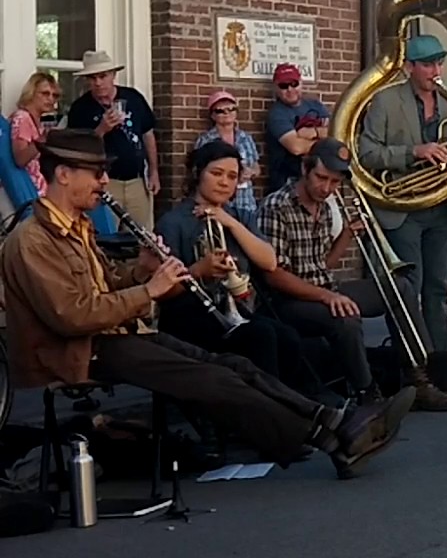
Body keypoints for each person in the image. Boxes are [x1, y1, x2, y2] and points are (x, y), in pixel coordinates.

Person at [0, 129, 414, 479]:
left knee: (235, 366)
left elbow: (105, 285)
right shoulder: (33, 240)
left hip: (113, 334)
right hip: (77, 352)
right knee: (213, 380)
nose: (104, 182)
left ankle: (334, 426)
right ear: (63, 174)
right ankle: (329, 436)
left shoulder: (79, 226)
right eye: (96, 174)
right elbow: (73, 316)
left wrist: (142, 269)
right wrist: (151, 289)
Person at [259, 137, 447, 412]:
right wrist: (327, 296)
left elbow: (323, 264)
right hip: (290, 301)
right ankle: (368, 394)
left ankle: (418, 378)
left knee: (399, 287)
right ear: (305, 169)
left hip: (323, 289)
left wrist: (347, 235)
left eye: (333, 182)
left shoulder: (325, 206)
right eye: (321, 178)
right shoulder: (276, 207)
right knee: (346, 317)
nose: (326, 188)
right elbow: (275, 275)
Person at [155, 142, 335, 404]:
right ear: (197, 173)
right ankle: (271, 412)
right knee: (261, 337)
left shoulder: (241, 216)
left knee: (287, 337)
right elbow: (165, 291)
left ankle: (307, 404)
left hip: (237, 310)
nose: (224, 183)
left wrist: (227, 221)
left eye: (232, 176)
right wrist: (200, 270)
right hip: (192, 316)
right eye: (216, 174)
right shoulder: (174, 222)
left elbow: (269, 261)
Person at [357, 34, 447, 355]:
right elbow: (366, 152)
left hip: (442, 205)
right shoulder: (386, 101)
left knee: (438, 289)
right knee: (409, 288)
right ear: (409, 67)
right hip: (403, 209)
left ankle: (442, 360)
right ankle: (413, 360)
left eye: (439, 63)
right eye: (428, 64)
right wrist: (414, 151)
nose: (436, 70)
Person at [66, 50, 159, 227]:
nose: (98, 83)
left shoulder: (133, 97)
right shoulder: (80, 108)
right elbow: (78, 150)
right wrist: (101, 129)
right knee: (107, 239)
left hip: (136, 181)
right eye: (93, 78)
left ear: (113, 75)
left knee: (141, 239)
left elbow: (148, 134)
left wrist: (154, 172)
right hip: (103, 182)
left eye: (103, 76)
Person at [195, 90, 263, 228]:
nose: (227, 113)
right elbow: (198, 172)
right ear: (213, 115)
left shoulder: (245, 138)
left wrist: (249, 172)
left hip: (245, 201)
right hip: (218, 203)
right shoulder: (205, 141)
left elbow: (257, 167)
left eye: (231, 109)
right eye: (220, 111)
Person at [265, 63, 329, 194]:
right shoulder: (277, 113)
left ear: (301, 83)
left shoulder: (316, 106)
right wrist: (322, 140)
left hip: (321, 182)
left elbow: (336, 134)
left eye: (294, 84)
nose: (290, 89)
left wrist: (311, 132)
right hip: (288, 184)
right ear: (276, 88)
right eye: (284, 86)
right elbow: (296, 148)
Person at [9, 72, 61, 197]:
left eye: (54, 96)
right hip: (26, 190)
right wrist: (43, 139)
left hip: (40, 188)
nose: (50, 99)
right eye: (45, 93)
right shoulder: (22, 118)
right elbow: (20, 158)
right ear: (31, 93)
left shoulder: (38, 122)